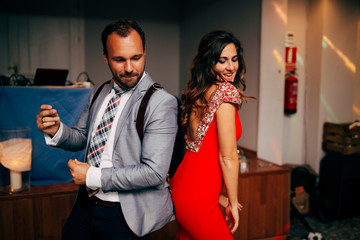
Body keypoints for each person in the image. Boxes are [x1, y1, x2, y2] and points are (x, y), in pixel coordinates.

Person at [36, 19, 178, 240]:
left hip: (124, 215)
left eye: (136, 58)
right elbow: (82, 137)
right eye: (119, 59)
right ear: (105, 57)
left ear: (144, 52)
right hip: (85, 205)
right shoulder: (99, 91)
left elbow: (154, 173)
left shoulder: (161, 102)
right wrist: (57, 130)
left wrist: (92, 175)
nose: (129, 68)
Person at [170, 30, 248, 239]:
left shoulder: (198, 92)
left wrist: (218, 197)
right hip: (199, 196)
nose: (231, 67)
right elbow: (228, 156)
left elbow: (200, 149)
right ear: (209, 62)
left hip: (183, 187)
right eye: (222, 61)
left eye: (234, 59)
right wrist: (232, 201)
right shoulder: (225, 92)